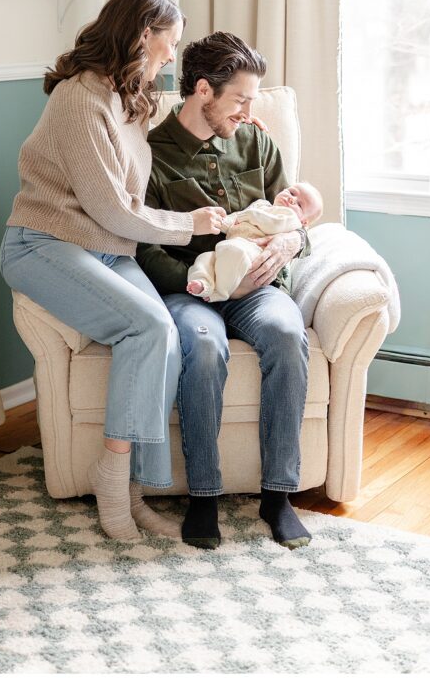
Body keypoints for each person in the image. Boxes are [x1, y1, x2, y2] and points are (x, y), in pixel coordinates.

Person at [0, 0, 226, 542]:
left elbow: (178, 131)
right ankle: (111, 482)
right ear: (142, 35)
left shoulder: (131, 95)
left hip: (106, 246)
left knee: (165, 333)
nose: (173, 56)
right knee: (147, 325)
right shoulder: (80, 99)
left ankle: (133, 490)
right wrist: (189, 223)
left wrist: (238, 123)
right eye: (169, 43)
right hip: (43, 242)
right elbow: (111, 208)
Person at [136, 32, 313, 551]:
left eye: (253, 100)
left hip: (258, 285)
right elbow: (145, 249)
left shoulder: (257, 141)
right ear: (203, 90)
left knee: (285, 333)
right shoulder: (151, 155)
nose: (248, 110)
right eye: (240, 99)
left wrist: (289, 242)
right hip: (191, 288)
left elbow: (294, 219)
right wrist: (200, 286)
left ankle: (278, 495)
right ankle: (204, 497)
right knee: (205, 348)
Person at [187, 182, 323, 302]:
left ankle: (220, 293)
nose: (291, 199)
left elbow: (273, 224)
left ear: (304, 222)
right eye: (292, 192)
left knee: (234, 252)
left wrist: (249, 215)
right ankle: (203, 283)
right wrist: (221, 222)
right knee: (205, 258)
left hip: (254, 256)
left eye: (299, 204)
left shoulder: (291, 219)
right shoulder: (261, 204)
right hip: (231, 249)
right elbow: (235, 219)